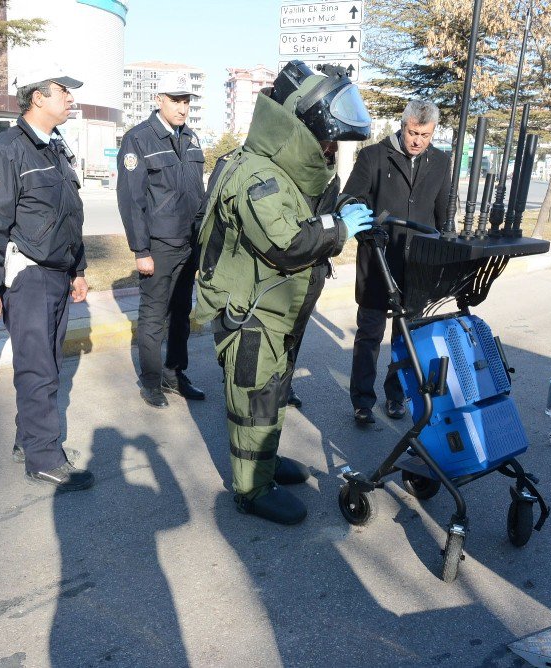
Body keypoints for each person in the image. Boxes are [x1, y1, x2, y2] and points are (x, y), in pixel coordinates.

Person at [194, 61, 374, 525]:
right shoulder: (258, 177)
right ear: (302, 129)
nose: (331, 148)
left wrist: (342, 210)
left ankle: (266, 465)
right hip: (253, 313)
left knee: (273, 394)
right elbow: (288, 243)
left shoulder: (284, 169)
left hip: (279, 309)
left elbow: (310, 211)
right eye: (327, 138)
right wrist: (339, 229)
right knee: (255, 402)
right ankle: (251, 490)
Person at [0, 64, 93, 492]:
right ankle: (43, 457)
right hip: (29, 277)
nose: (70, 100)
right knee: (38, 368)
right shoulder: (7, 150)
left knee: (50, 365)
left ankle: (31, 439)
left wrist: (78, 268)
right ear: (38, 97)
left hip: (58, 273)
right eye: (64, 92)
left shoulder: (55, 148)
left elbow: (69, 217)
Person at [344, 99, 452, 425]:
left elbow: (445, 215)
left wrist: (446, 253)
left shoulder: (441, 162)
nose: (418, 140)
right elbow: (350, 200)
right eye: (413, 132)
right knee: (370, 335)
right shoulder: (374, 156)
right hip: (378, 262)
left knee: (406, 339)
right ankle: (362, 401)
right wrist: (367, 232)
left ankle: (396, 397)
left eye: (426, 135)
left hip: (418, 266)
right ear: (403, 124)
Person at [117, 72, 206, 409]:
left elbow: (197, 193)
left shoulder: (191, 138)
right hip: (158, 245)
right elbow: (131, 199)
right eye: (175, 100)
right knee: (154, 315)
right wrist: (141, 250)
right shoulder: (139, 139)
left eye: (186, 101)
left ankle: (174, 373)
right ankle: (152, 381)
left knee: (182, 313)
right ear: (159, 100)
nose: (182, 108)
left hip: (188, 243)